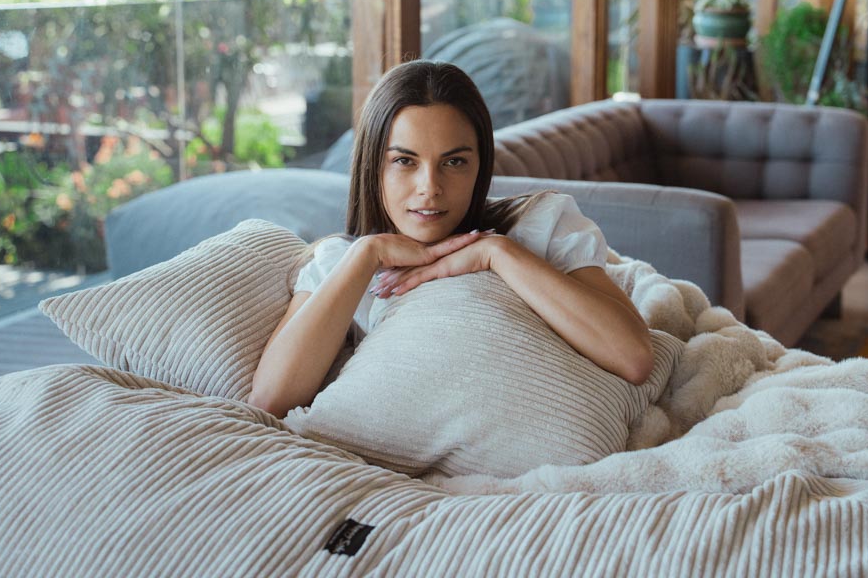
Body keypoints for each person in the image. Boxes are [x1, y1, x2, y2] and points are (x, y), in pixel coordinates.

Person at [249, 60, 653, 418]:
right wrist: (368, 253)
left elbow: (633, 357)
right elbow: (269, 400)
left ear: (481, 166)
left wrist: (495, 253)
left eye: (454, 162)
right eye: (404, 161)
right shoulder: (340, 262)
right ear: (372, 166)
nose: (430, 187)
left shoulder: (538, 225)